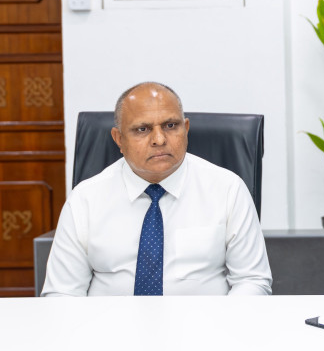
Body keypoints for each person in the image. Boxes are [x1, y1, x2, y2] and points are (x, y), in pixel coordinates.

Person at [42, 82, 272, 296]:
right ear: (118, 139)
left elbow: (252, 280)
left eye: (171, 126)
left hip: (205, 324)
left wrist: (221, 324)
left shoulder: (227, 189)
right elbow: (63, 293)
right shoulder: (85, 199)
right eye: (142, 129)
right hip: (109, 325)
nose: (159, 139)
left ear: (186, 128)